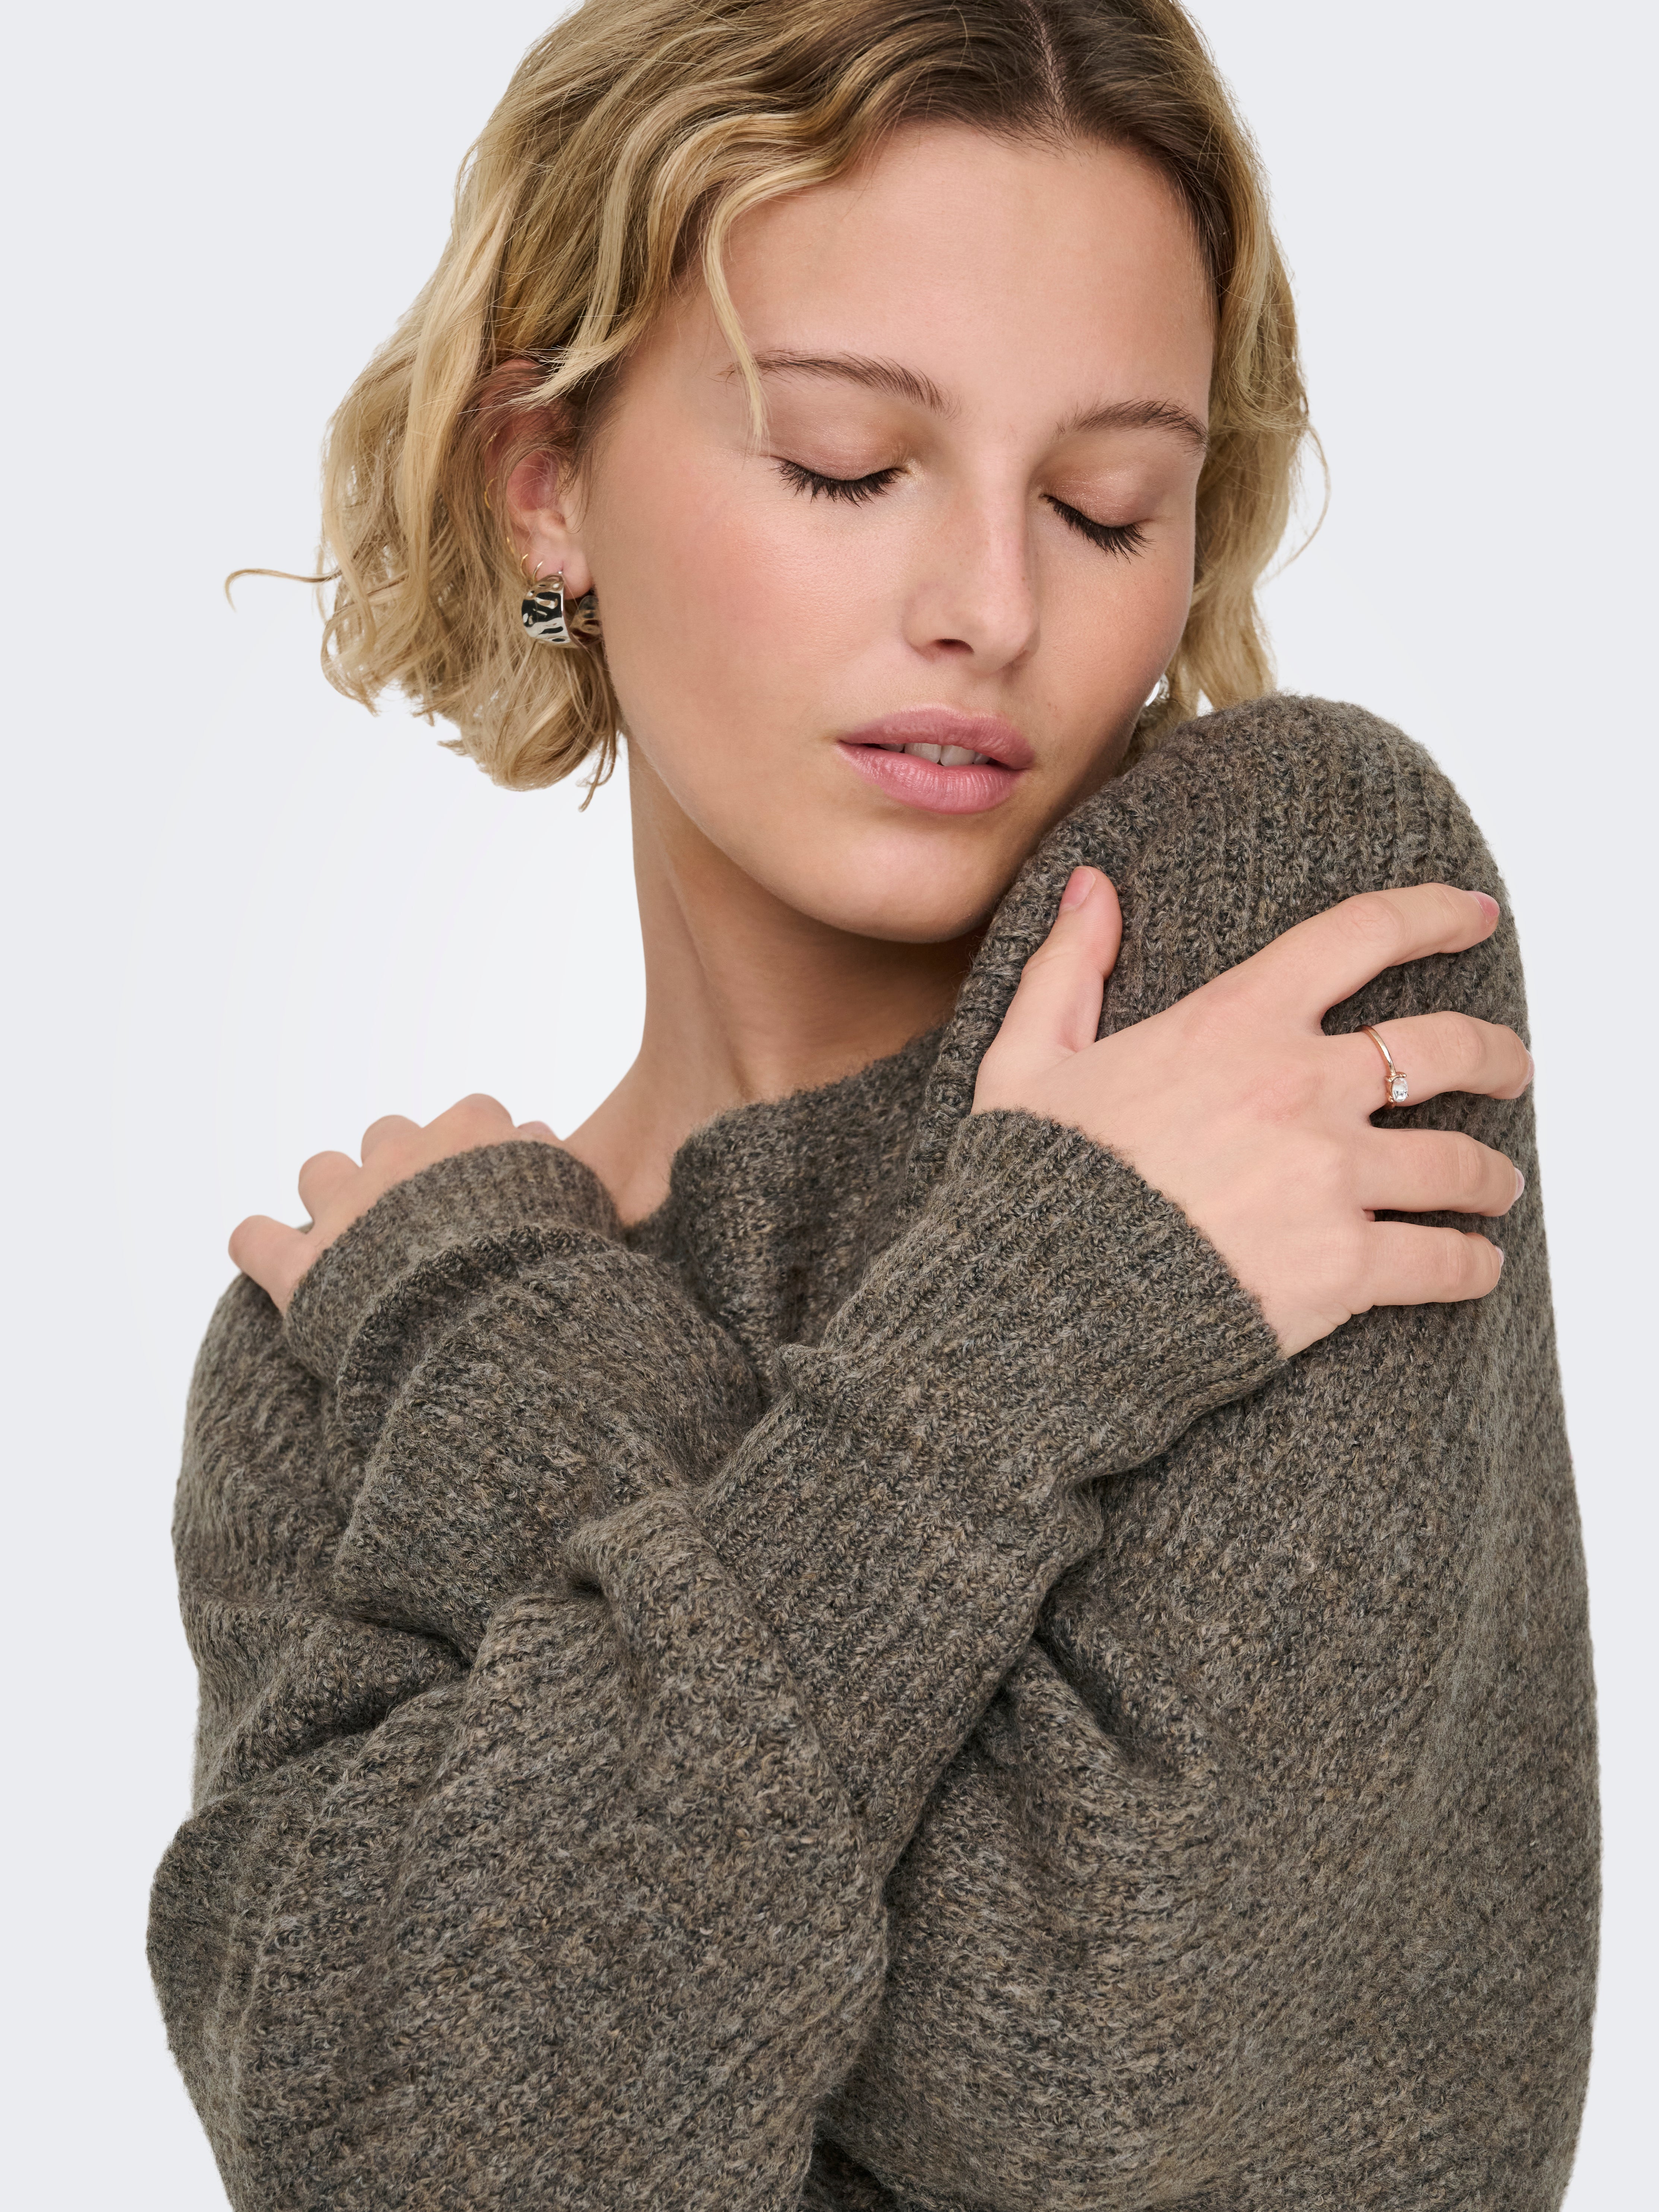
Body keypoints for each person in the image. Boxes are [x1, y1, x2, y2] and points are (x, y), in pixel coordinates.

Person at [147, 3, 1598, 2205]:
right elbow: (398, 2160)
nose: (990, 607)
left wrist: (516, 1363)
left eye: (1104, 505)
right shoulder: (337, 1356)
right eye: (845, 462)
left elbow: (1081, 2061)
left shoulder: (1281, 944)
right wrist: (1045, 1319)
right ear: (544, 481)